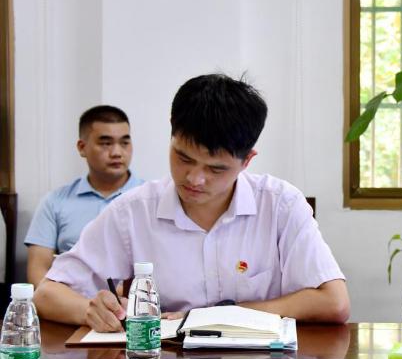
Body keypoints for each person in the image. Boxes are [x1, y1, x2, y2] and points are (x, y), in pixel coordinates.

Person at [33, 74, 349, 330]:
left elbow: (333, 302)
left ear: (247, 160)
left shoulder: (280, 205)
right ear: (171, 131)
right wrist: (91, 311)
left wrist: (221, 315)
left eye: (216, 169)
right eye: (183, 158)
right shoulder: (134, 211)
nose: (194, 179)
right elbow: (47, 294)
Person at [24, 105, 143, 288]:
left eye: (124, 143)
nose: (117, 152)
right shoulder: (55, 202)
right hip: (70, 303)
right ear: (82, 147)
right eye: (106, 143)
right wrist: (66, 301)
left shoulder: (149, 200)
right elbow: (38, 271)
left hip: (135, 302)